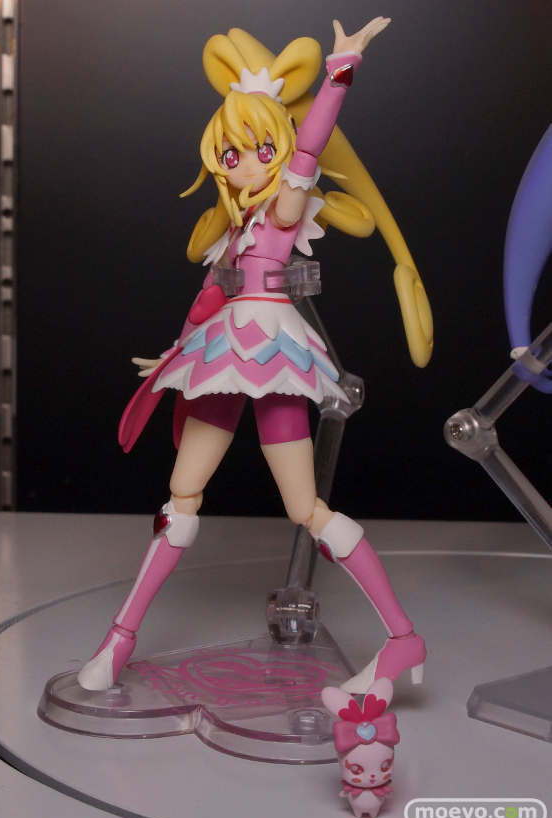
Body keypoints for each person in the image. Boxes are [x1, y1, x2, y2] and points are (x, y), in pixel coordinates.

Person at [78, 18, 429, 694]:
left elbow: (310, 148)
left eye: (260, 148)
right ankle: (118, 639)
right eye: (232, 152)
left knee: (305, 508)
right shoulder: (237, 227)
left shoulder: (286, 208)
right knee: (182, 497)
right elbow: (211, 294)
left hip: (271, 353)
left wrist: (339, 74)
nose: (245, 163)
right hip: (221, 354)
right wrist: (176, 349)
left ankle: (402, 637)